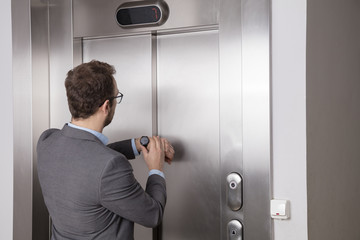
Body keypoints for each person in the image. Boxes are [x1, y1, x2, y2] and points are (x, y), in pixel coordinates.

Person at [37, 60, 174, 240]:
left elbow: (88, 159)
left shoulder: (47, 140)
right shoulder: (111, 166)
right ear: (106, 106)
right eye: (117, 97)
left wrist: (137, 144)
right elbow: (152, 215)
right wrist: (156, 169)